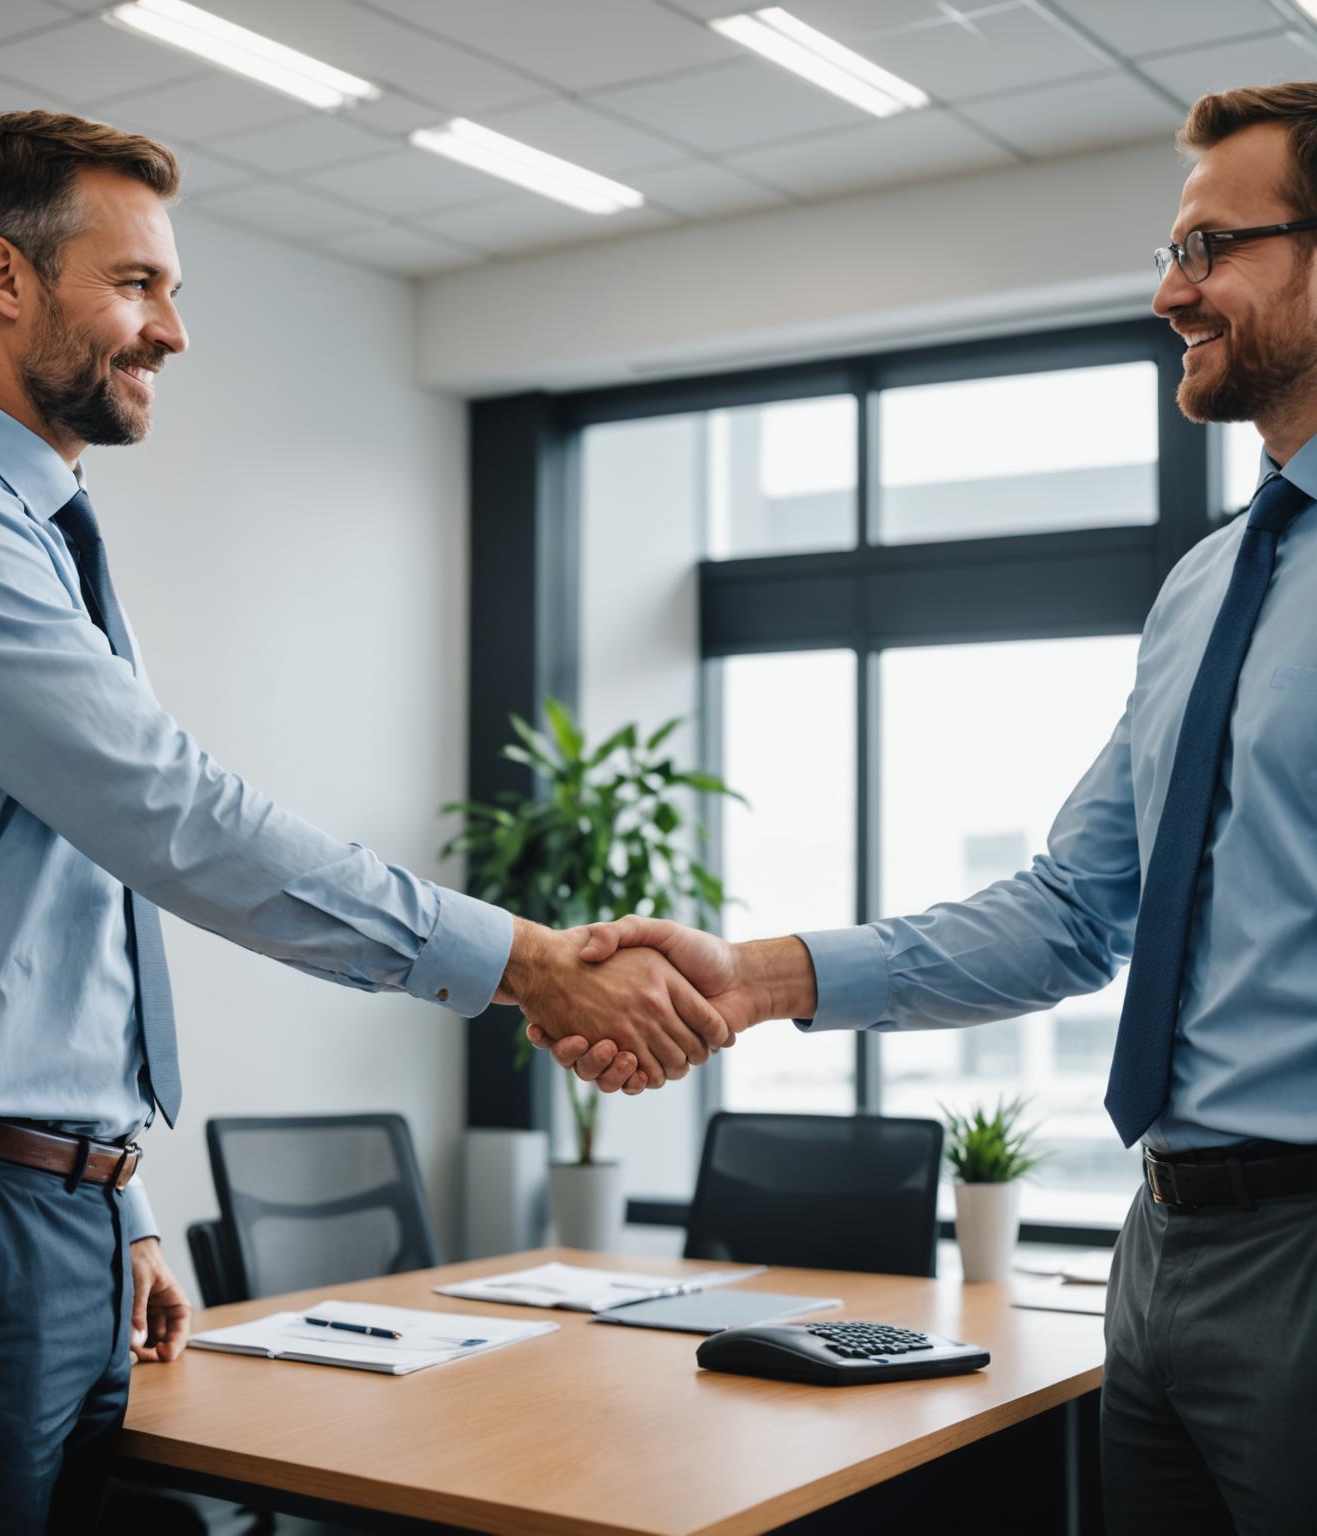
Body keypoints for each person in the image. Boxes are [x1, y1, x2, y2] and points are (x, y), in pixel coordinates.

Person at [0, 111, 733, 1535]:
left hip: (44, 1217)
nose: (170, 331)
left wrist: (126, 1207)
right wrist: (526, 959)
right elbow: (179, 820)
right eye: (137, 285)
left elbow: (67, 919)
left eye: (172, 291)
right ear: (5, 280)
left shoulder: (37, 537)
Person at [539, 84, 1317, 1536]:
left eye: (1211, 247)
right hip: (1165, 1249)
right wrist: (754, 979)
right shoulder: (1207, 589)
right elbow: (1077, 910)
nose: (1170, 290)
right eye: (1171, 249)